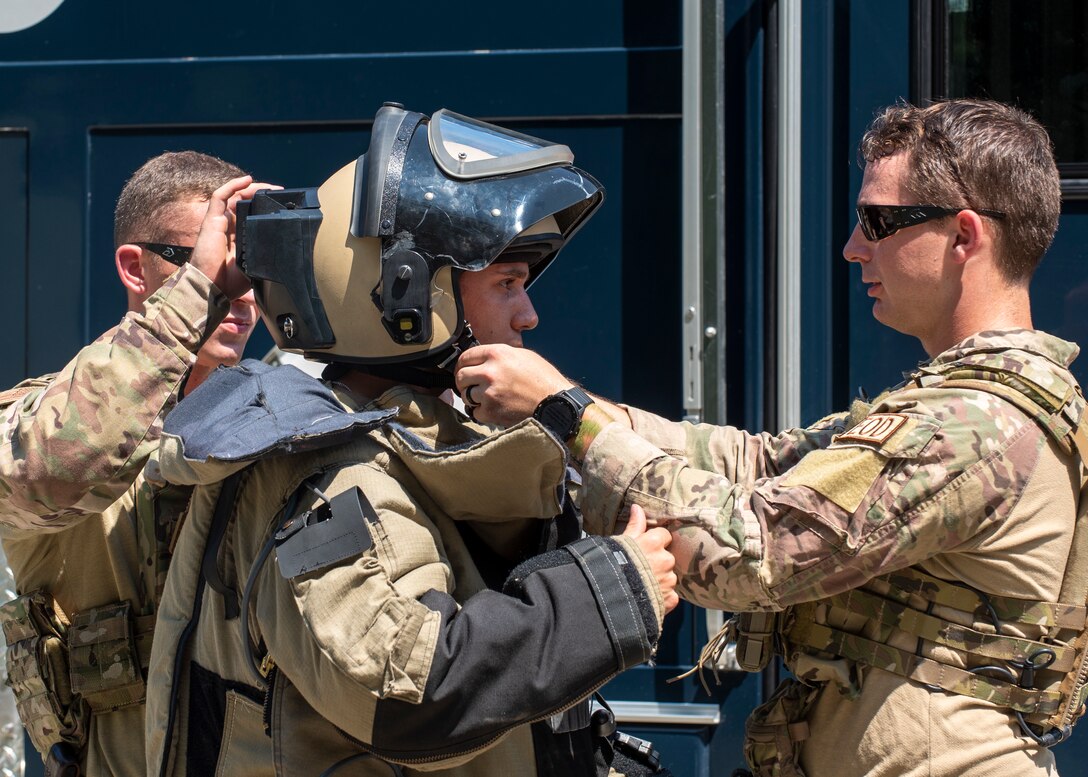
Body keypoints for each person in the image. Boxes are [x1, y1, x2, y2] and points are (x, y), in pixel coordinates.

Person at [455, 97, 1088, 777]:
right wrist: (572, 407)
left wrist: (567, 416)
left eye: (878, 220)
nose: (852, 246)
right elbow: (759, 461)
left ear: (964, 236)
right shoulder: (964, 405)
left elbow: (749, 552)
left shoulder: (971, 425)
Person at [145, 103, 679, 777]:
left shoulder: (398, 442)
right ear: (404, 299)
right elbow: (411, 695)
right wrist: (612, 588)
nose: (529, 313)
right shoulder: (333, 475)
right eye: (507, 284)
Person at [0, 151, 271, 776]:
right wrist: (194, 294)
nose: (236, 289)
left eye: (247, 265)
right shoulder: (42, 419)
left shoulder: (284, 420)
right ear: (134, 267)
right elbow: (63, 463)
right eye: (203, 257)